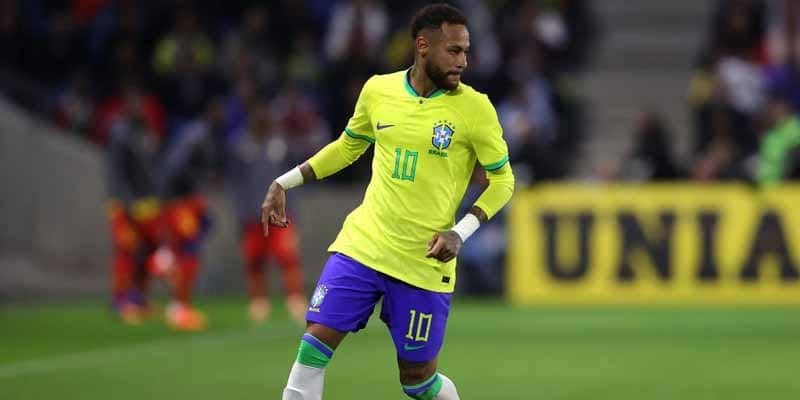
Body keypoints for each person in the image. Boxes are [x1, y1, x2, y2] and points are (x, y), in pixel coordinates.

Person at [262, 5, 515, 399]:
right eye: (453, 51)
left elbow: (503, 181)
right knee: (313, 345)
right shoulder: (378, 90)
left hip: (423, 260)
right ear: (423, 46)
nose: (463, 62)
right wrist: (285, 181)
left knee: (417, 381)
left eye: (465, 51)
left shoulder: (475, 108)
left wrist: (460, 232)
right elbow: (347, 147)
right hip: (364, 244)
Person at [226, 100, 307, 324]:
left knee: (288, 257)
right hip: (252, 214)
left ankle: (295, 298)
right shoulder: (240, 147)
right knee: (254, 260)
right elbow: (236, 185)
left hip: (280, 214)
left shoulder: (281, 145)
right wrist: (240, 214)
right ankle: (259, 301)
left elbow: (294, 181)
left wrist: (293, 213)